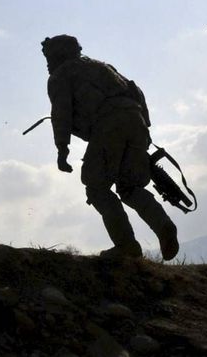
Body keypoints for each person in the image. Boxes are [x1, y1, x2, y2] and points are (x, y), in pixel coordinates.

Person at [42, 35, 179, 260]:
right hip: (137, 121)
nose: (47, 63)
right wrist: (143, 134)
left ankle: (126, 245)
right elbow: (136, 91)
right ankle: (163, 225)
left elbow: (61, 113)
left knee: (97, 188)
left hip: (108, 124)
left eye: (49, 57)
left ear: (59, 54)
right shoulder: (102, 66)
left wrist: (62, 149)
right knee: (130, 187)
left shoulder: (61, 75)